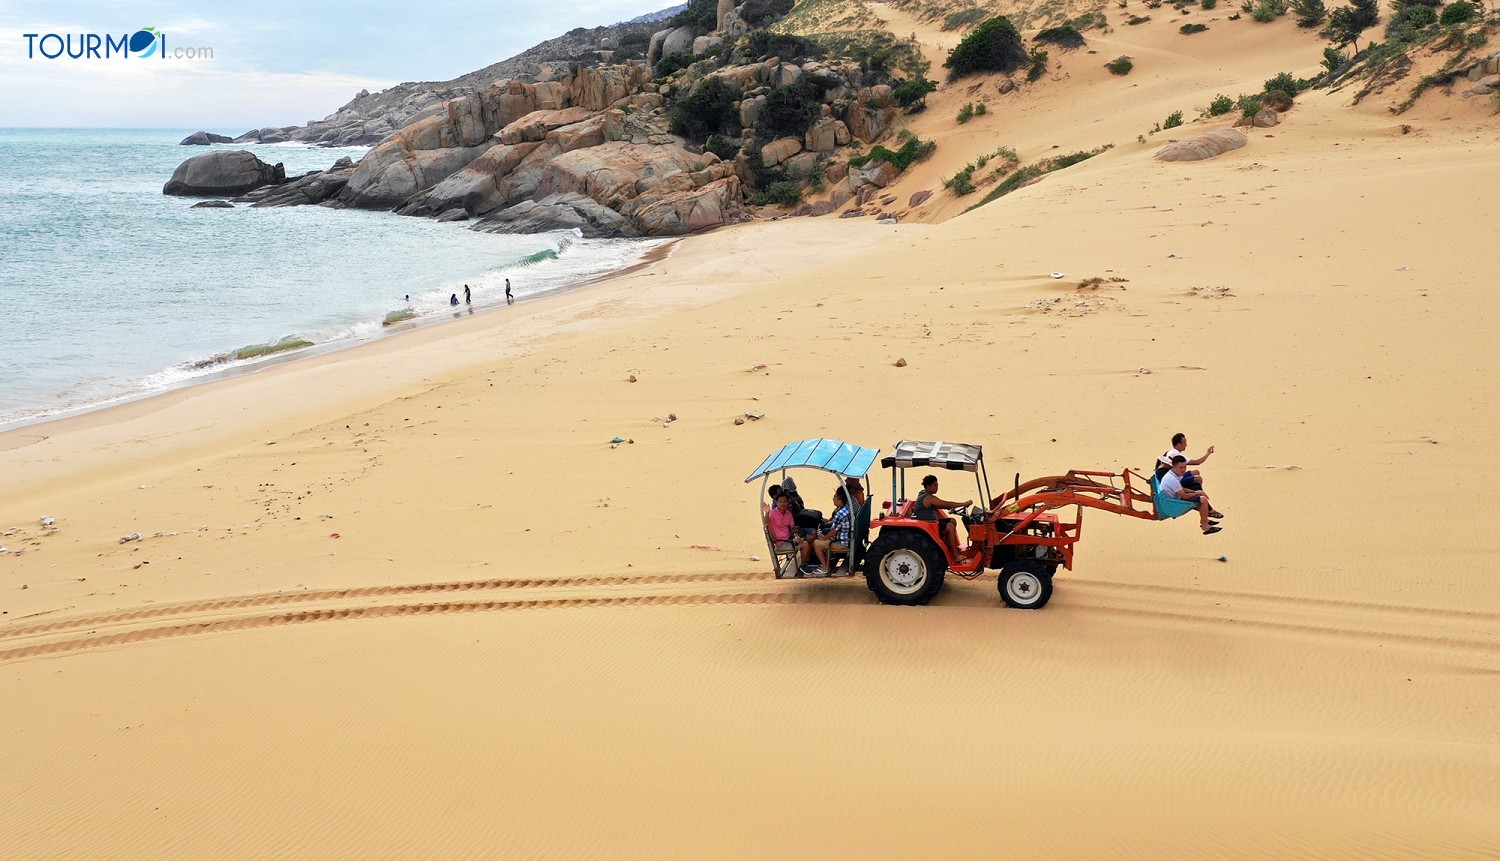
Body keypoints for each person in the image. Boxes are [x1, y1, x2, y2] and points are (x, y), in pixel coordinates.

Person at [1161, 455, 1223, 535]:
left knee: (1198, 493)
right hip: (1174, 503)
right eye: (1181, 467)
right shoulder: (1172, 479)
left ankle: (1205, 519)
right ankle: (1205, 526)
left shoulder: (1173, 474)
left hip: (1173, 498)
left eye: (1184, 467)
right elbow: (1184, 496)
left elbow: (1181, 488)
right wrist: (1198, 493)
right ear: (1174, 466)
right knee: (1203, 499)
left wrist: (1195, 492)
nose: (1183, 470)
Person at [914, 474, 970, 559]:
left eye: (937, 485)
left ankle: (950, 547)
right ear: (928, 486)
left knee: (952, 521)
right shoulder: (929, 498)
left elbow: (941, 505)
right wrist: (964, 503)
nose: (937, 487)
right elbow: (947, 503)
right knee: (950, 527)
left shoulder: (923, 493)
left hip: (931, 522)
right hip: (929, 524)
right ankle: (955, 555)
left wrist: (948, 507)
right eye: (935, 485)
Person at [805, 486, 852, 575]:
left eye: (834, 497)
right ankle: (826, 561)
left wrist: (823, 538)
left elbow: (833, 532)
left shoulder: (840, 514)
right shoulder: (846, 509)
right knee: (822, 534)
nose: (833, 499)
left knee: (816, 543)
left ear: (839, 500)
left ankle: (825, 567)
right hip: (845, 538)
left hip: (842, 543)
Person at [763, 492, 806, 569]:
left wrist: (797, 536)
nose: (783, 503)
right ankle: (802, 565)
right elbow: (766, 522)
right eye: (780, 501)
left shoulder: (788, 514)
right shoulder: (772, 513)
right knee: (805, 545)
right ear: (776, 502)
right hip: (781, 543)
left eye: (785, 501)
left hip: (789, 540)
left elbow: (792, 528)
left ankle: (805, 563)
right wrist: (767, 513)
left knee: (808, 540)